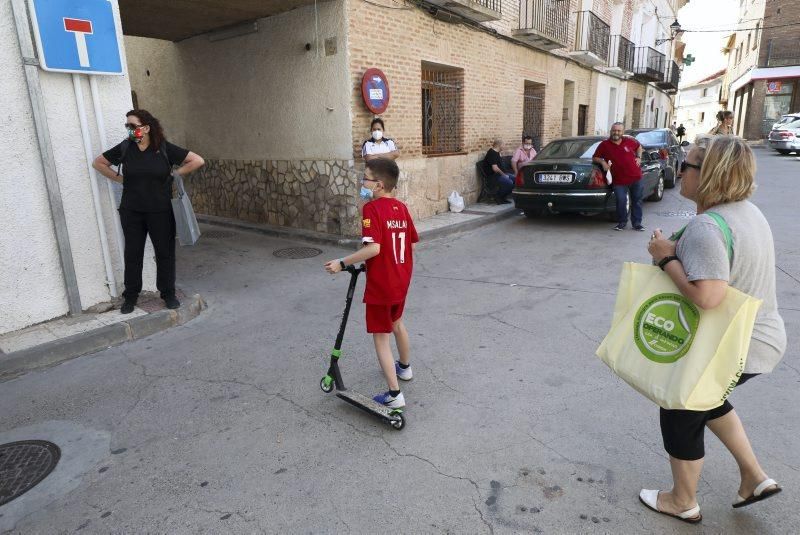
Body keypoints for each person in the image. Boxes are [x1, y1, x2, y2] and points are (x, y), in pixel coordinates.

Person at [642, 135, 786, 523]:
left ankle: (682, 500)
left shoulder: (708, 227)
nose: (680, 172)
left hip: (736, 345)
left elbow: (707, 297)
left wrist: (665, 257)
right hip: (758, 338)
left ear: (708, 175)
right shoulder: (746, 212)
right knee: (709, 400)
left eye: (686, 166)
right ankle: (753, 477)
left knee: (680, 405)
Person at [324, 158, 418, 409]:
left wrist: (342, 263)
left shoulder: (371, 209)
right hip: (401, 279)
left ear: (378, 185)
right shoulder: (401, 207)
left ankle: (394, 394)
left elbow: (374, 248)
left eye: (365, 178)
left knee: (380, 338)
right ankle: (405, 368)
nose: (362, 182)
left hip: (382, 285)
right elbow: (409, 243)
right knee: (397, 323)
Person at [93, 110, 204, 314]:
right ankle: (131, 296)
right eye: (127, 126)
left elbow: (197, 160)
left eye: (132, 126)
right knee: (133, 253)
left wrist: (176, 173)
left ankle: (168, 294)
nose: (129, 130)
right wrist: (119, 179)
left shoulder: (163, 149)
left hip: (160, 211)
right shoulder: (126, 148)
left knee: (165, 254)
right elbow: (98, 162)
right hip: (132, 211)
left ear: (146, 128)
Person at [592, 122, 645, 231]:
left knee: (637, 201)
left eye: (618, 130)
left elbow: (639, 147)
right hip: (619, 180)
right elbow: (595, 157)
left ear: (622, 132)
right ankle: (622, 223)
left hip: (636, 177)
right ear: (611, 131)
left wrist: (639, 157)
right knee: (621, 201)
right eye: (614, 130)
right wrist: (603, 162)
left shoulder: (629, 141)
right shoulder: (604, 145)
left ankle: (637, 224)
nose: (616, 132)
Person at [483, 139, 514, 204]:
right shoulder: (492, 153)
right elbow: (495, 168)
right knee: (509, 183)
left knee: (516, 179)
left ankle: (503, 197)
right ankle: (499, 196)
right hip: (493, 177)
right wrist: (504, 175)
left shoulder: (497, 153)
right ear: (499, 145)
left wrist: (505, 174)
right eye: (503, 145)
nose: (504, 146)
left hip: (499, 175)